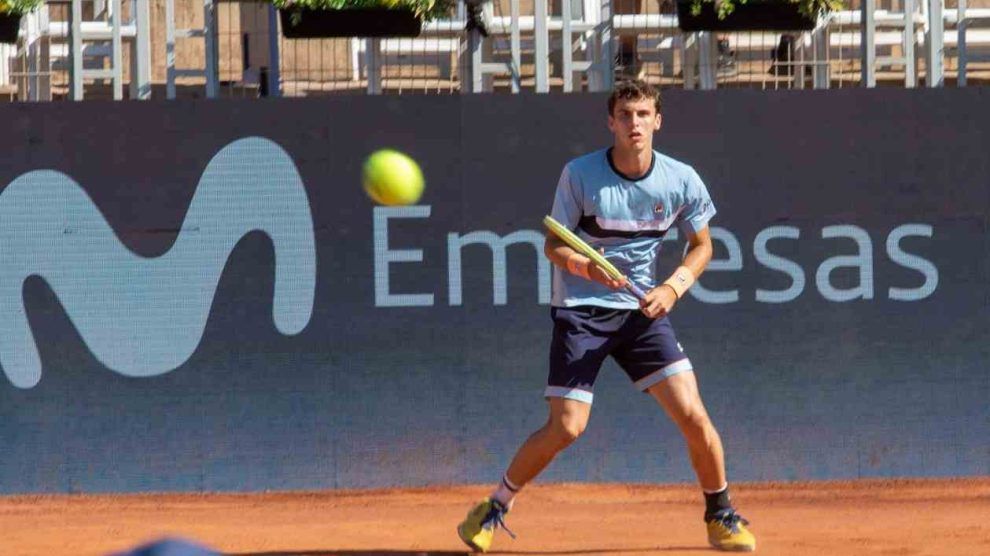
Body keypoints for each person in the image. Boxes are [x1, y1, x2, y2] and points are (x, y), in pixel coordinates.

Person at [456, 79, 756, 553]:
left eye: (642, 114)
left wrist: (672, 289)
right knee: (567, 427)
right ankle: (494, 507)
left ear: (657, 121)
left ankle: (720, 515)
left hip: (642, 313)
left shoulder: (680, 179)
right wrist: (588, 267)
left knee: (694, 415)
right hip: (581, 311)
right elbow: (553, 243)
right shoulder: (579, 174)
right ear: (610, 122)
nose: (634, 123)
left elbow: (702, 247)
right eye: (625, 115)